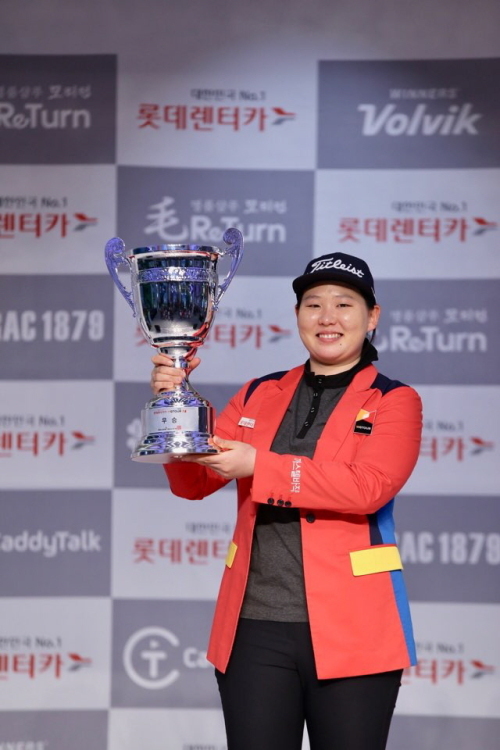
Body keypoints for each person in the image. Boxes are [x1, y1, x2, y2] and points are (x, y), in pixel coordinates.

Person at [150, 252, 422, 750]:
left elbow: (368, 487)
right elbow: (193, 483)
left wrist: (260, 465)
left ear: (372, 317)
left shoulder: (394, 399)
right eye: (313, 304)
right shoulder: (259, 393)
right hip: (254, 628)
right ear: (297, 316)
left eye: (344, 304)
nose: (327, 317)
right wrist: (178, 411)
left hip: (355, 628)